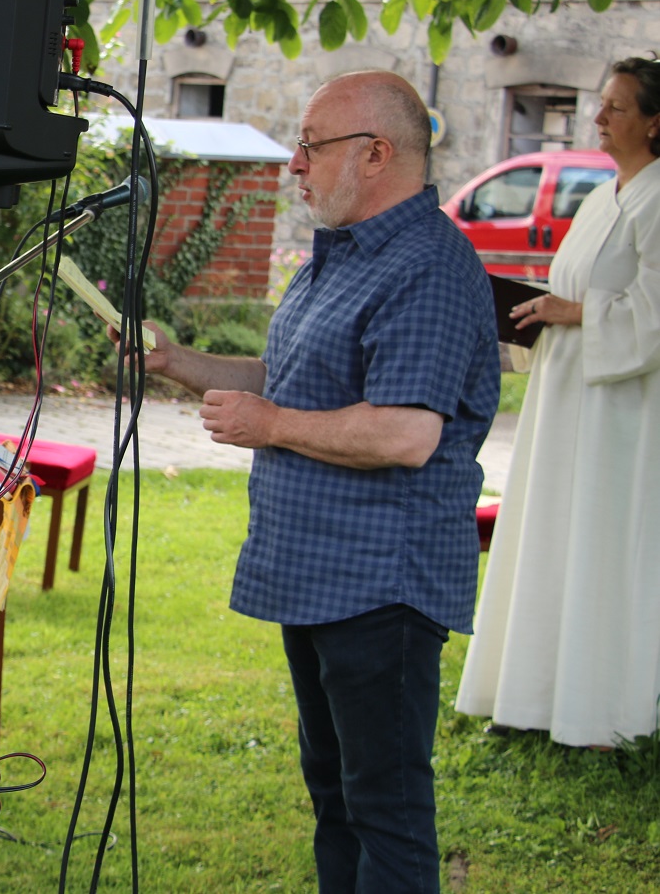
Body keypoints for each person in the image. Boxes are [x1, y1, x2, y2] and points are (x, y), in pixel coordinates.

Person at [110, 71, 498, 892]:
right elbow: (286, 375)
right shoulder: (343, 253)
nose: (294, 164)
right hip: (321, 576)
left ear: (376, 153)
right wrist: (176, 361)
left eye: (310, 146)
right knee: (335, 797)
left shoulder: (428, 265)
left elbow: (406, 431)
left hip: (382, 587)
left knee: (384, 811)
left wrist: (272, 425)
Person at [455, 58, 660, 748]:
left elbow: (655, 312)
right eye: (600, 104)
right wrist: (538, 311)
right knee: (555, 530)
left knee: (602, 538)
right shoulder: (606, 195)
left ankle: (605, 708)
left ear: (656, 122)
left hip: (623, 410)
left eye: (617, 107)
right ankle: (538, 691)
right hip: (567, 393)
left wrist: (576, 310)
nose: (598, 118)